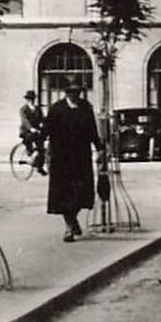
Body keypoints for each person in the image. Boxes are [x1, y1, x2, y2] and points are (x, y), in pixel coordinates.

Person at [42, 76, 105, 242]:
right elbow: (46, 130)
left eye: (77, 92)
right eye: (71, 92)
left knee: (81, 193)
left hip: (81, 157)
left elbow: (92, 130)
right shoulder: (56, 109)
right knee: (63, 194)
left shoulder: (86, 108)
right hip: (61, 158)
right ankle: (69, 226)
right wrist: (37, 148)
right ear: (66, 93)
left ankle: (73, 218)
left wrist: (99, 148)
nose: (74, 95)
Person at [19, 90, 47, 175]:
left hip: (37, 131)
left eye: (32, 99)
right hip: (26, 131)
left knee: (41, 148)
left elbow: (42, 118)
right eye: (29, 99)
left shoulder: (38, 109)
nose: (31, 100)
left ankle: (40, 167)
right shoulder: (23, 109)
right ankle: (30, 155)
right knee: (30, 142)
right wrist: (31, 128)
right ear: (26, 100)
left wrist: (43, 124)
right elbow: (25, 120)